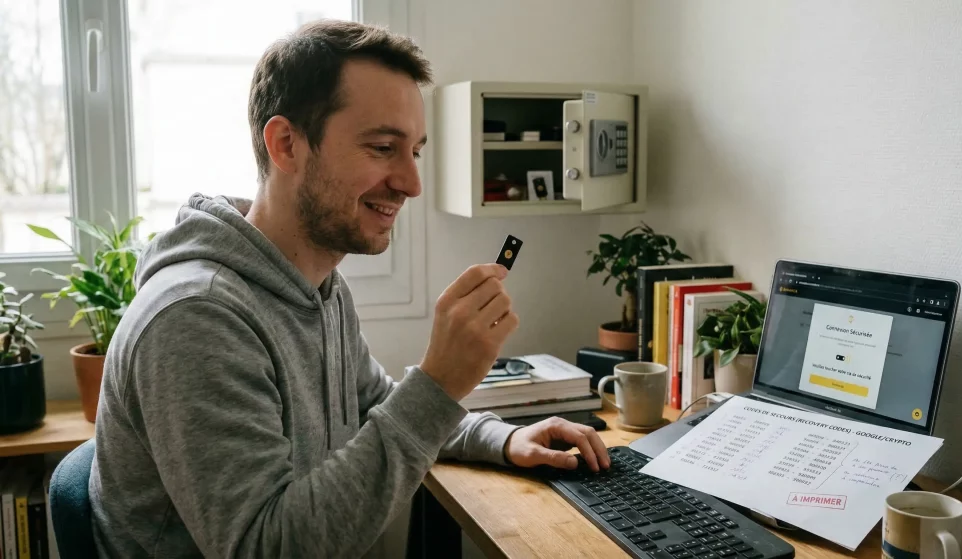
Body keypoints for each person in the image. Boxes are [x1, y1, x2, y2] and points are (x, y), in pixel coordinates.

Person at [88, 18, 611, 558]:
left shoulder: (319, 285)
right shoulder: (196, 319)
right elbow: (265, 549)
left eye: (415, 151)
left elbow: (374, 404)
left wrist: (501, 438)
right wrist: (438, 384)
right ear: (287, 145)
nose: (411, 183)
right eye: (383, 147)